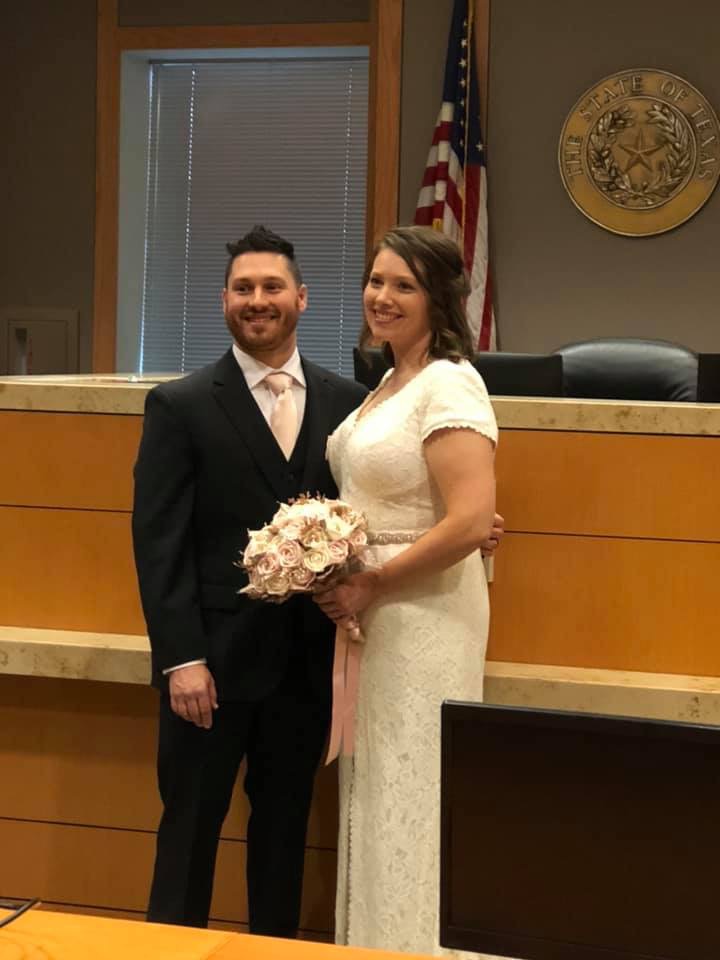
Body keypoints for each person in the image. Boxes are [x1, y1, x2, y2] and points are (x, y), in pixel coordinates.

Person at [131, 225, 367, 936]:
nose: (257, 300)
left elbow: (375, 512)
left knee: (284, 838)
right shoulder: (181, 404)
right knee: (189, 833)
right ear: (224, 301)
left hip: (305, 668)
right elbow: (159, 542)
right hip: (209, 670)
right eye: (242, 288)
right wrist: (182, 659)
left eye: (271, 286)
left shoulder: (350, 403)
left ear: (302, 297)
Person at [315, 225, 498, 955]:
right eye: (376, 280)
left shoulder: (450, 380)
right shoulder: (388, 382)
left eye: (403, 285)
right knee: (377, 786)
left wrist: (373, 580)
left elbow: (471, 519)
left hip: (423, 615)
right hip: (373, 614)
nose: (382, 297)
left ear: (438, 299)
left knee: (416, 786)